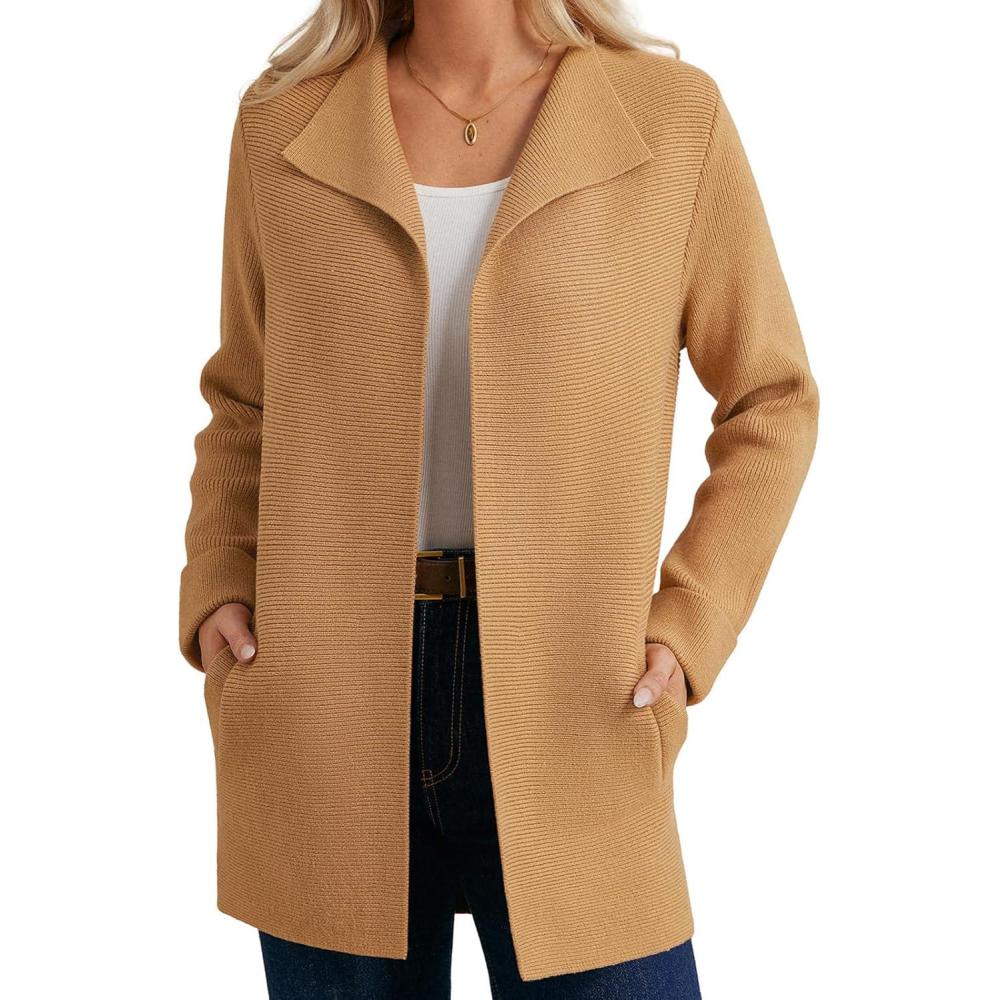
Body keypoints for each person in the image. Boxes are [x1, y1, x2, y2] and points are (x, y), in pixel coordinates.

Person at [178, 0, 819, 996]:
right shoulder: (283, 122)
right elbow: (246, 398)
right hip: (324, 703)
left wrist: (689, 624)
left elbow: (771, 399)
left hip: (578, 692)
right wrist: (219, 583)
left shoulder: (670, 120)